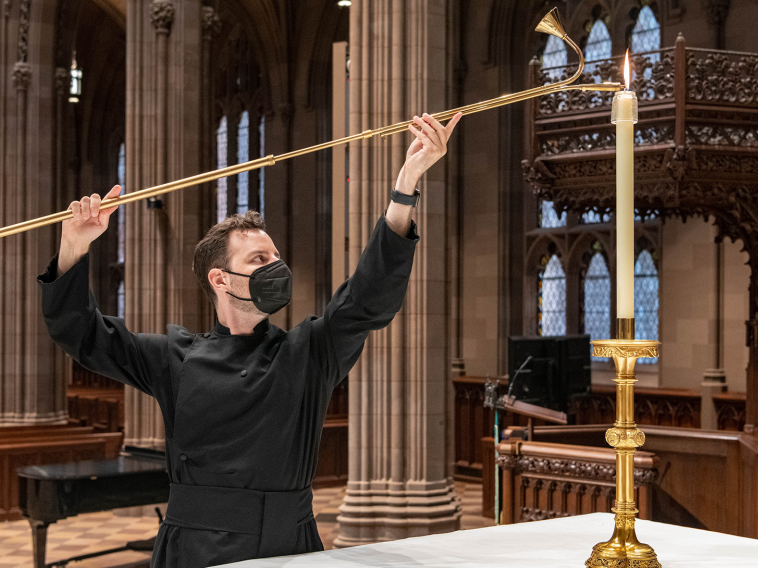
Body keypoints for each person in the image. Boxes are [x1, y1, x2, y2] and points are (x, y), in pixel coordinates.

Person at [37, 112, 461, 567]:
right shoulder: (172, 357)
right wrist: (74, 245)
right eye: (260, 258)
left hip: (289, 545)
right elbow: (80, 333)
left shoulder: (308, 352)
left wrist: (406, 187)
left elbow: (366, 300)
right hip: (195, 549)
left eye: (276, 256)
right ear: (221, 279)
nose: (276, 266)